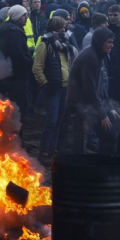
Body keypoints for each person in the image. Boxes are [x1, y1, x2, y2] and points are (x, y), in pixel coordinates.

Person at [66, 28, 120, 156]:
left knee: (113, 129)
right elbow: (89, 89)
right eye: (108, 42)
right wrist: (102, 114)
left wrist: (110, 107)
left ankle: (103, 164)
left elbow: (100, 86)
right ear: (100, 41)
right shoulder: (90, 57)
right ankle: (103, 167)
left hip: (90, 102)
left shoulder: (99, 54)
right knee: (109, 135)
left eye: (112, 42)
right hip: (79, 102)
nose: (111, 46)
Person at [32, 17, 78, 165]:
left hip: (65, 88)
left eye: (64, 28)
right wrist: (45, 85)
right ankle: (43, 151)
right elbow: (37, 68)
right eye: (60, 28)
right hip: (52, 89)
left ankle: (53, 149)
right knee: (51, 121)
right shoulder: (45, 45)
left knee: (58, 121)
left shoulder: (67, 44)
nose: (63, 30)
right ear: (53, 28)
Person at [0, 5, 34, 132]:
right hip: (17, 77)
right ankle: (16, 139)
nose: (26, 18)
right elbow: (18, 55)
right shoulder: (14, 32)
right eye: (24, 15)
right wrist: (30, 62)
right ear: (17, 16)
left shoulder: (8, 29)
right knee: (18, 109)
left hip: (9, 74)